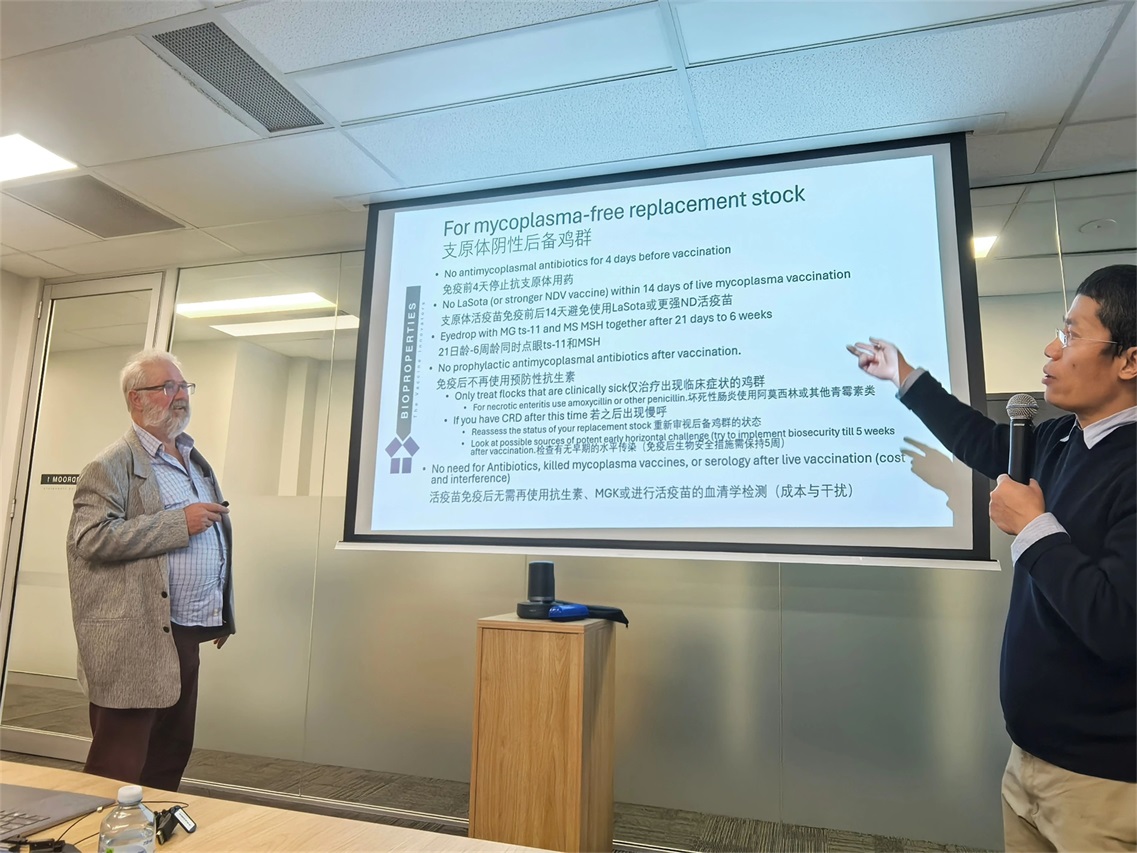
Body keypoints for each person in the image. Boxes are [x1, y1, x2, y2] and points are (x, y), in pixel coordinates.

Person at [848, 264, 1136, 851]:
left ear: (1129, 361)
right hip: (1029, 757)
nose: (1051, 349)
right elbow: (980, 440)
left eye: (1072, 335)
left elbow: (1119, 625)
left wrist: (1033, 528)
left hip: (1102, 781)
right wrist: (905, 376)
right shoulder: (1059, 438)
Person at [67, 349, 235, 790]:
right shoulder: (109, 465)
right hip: (134, 636)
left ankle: (152, 824)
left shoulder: (193, 460)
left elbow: (214, 539)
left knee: (170, 752)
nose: (180, 395)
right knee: (119, 762)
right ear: (136, 399)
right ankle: (97, 826)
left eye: (184, 386)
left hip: (184, 630)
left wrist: (218, 611)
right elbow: (90, 539)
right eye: (167, 387)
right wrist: (178, 523)